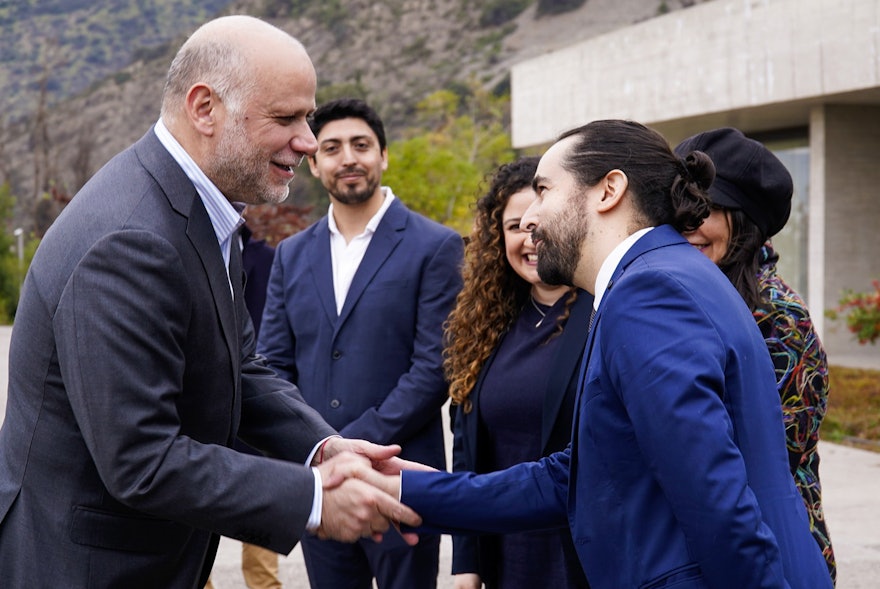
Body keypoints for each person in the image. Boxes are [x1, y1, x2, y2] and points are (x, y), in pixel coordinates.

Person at [0, 16, 421, 589]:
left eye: (308, 117)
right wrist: (314, 501)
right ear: (204, 109)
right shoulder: (130, 241)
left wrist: (323, 449)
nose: (307, 140)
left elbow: (239, 367)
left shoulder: (205, 210)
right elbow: (141, 460)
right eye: (286, 118)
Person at [355, 119, 834, 588]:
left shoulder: (648, 292)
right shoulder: (663, 274)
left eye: (544, 190)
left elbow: (716, 500)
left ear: (609, 190)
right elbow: (578, 473)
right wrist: (409, 489)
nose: (531, 218)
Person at [257, 98, 463, 589]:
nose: (347, 157)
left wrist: (349, 446)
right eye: (331, 147)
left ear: (383, 155)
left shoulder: (435, 246)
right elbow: (271, 367)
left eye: (360, 145)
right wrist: (316, 447)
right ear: (315, 162)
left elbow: (433, 370)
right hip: (319, 484)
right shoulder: (290, 254)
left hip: (399, 474)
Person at [675, 127, 836, 582]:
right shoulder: (693, 294)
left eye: (705, 211)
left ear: (743, 221)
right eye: (678, 209)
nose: (689, 226)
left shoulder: (777, 317)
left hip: (767, 551)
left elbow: (766, 456)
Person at [444, 156, 591, 589]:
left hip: (582, 558)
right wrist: (466, 563)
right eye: (515, 227)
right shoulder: (481, 325)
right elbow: (466, 454)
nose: (531, 238)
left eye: (539, 223)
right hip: (506, 558)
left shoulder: (607, 311)